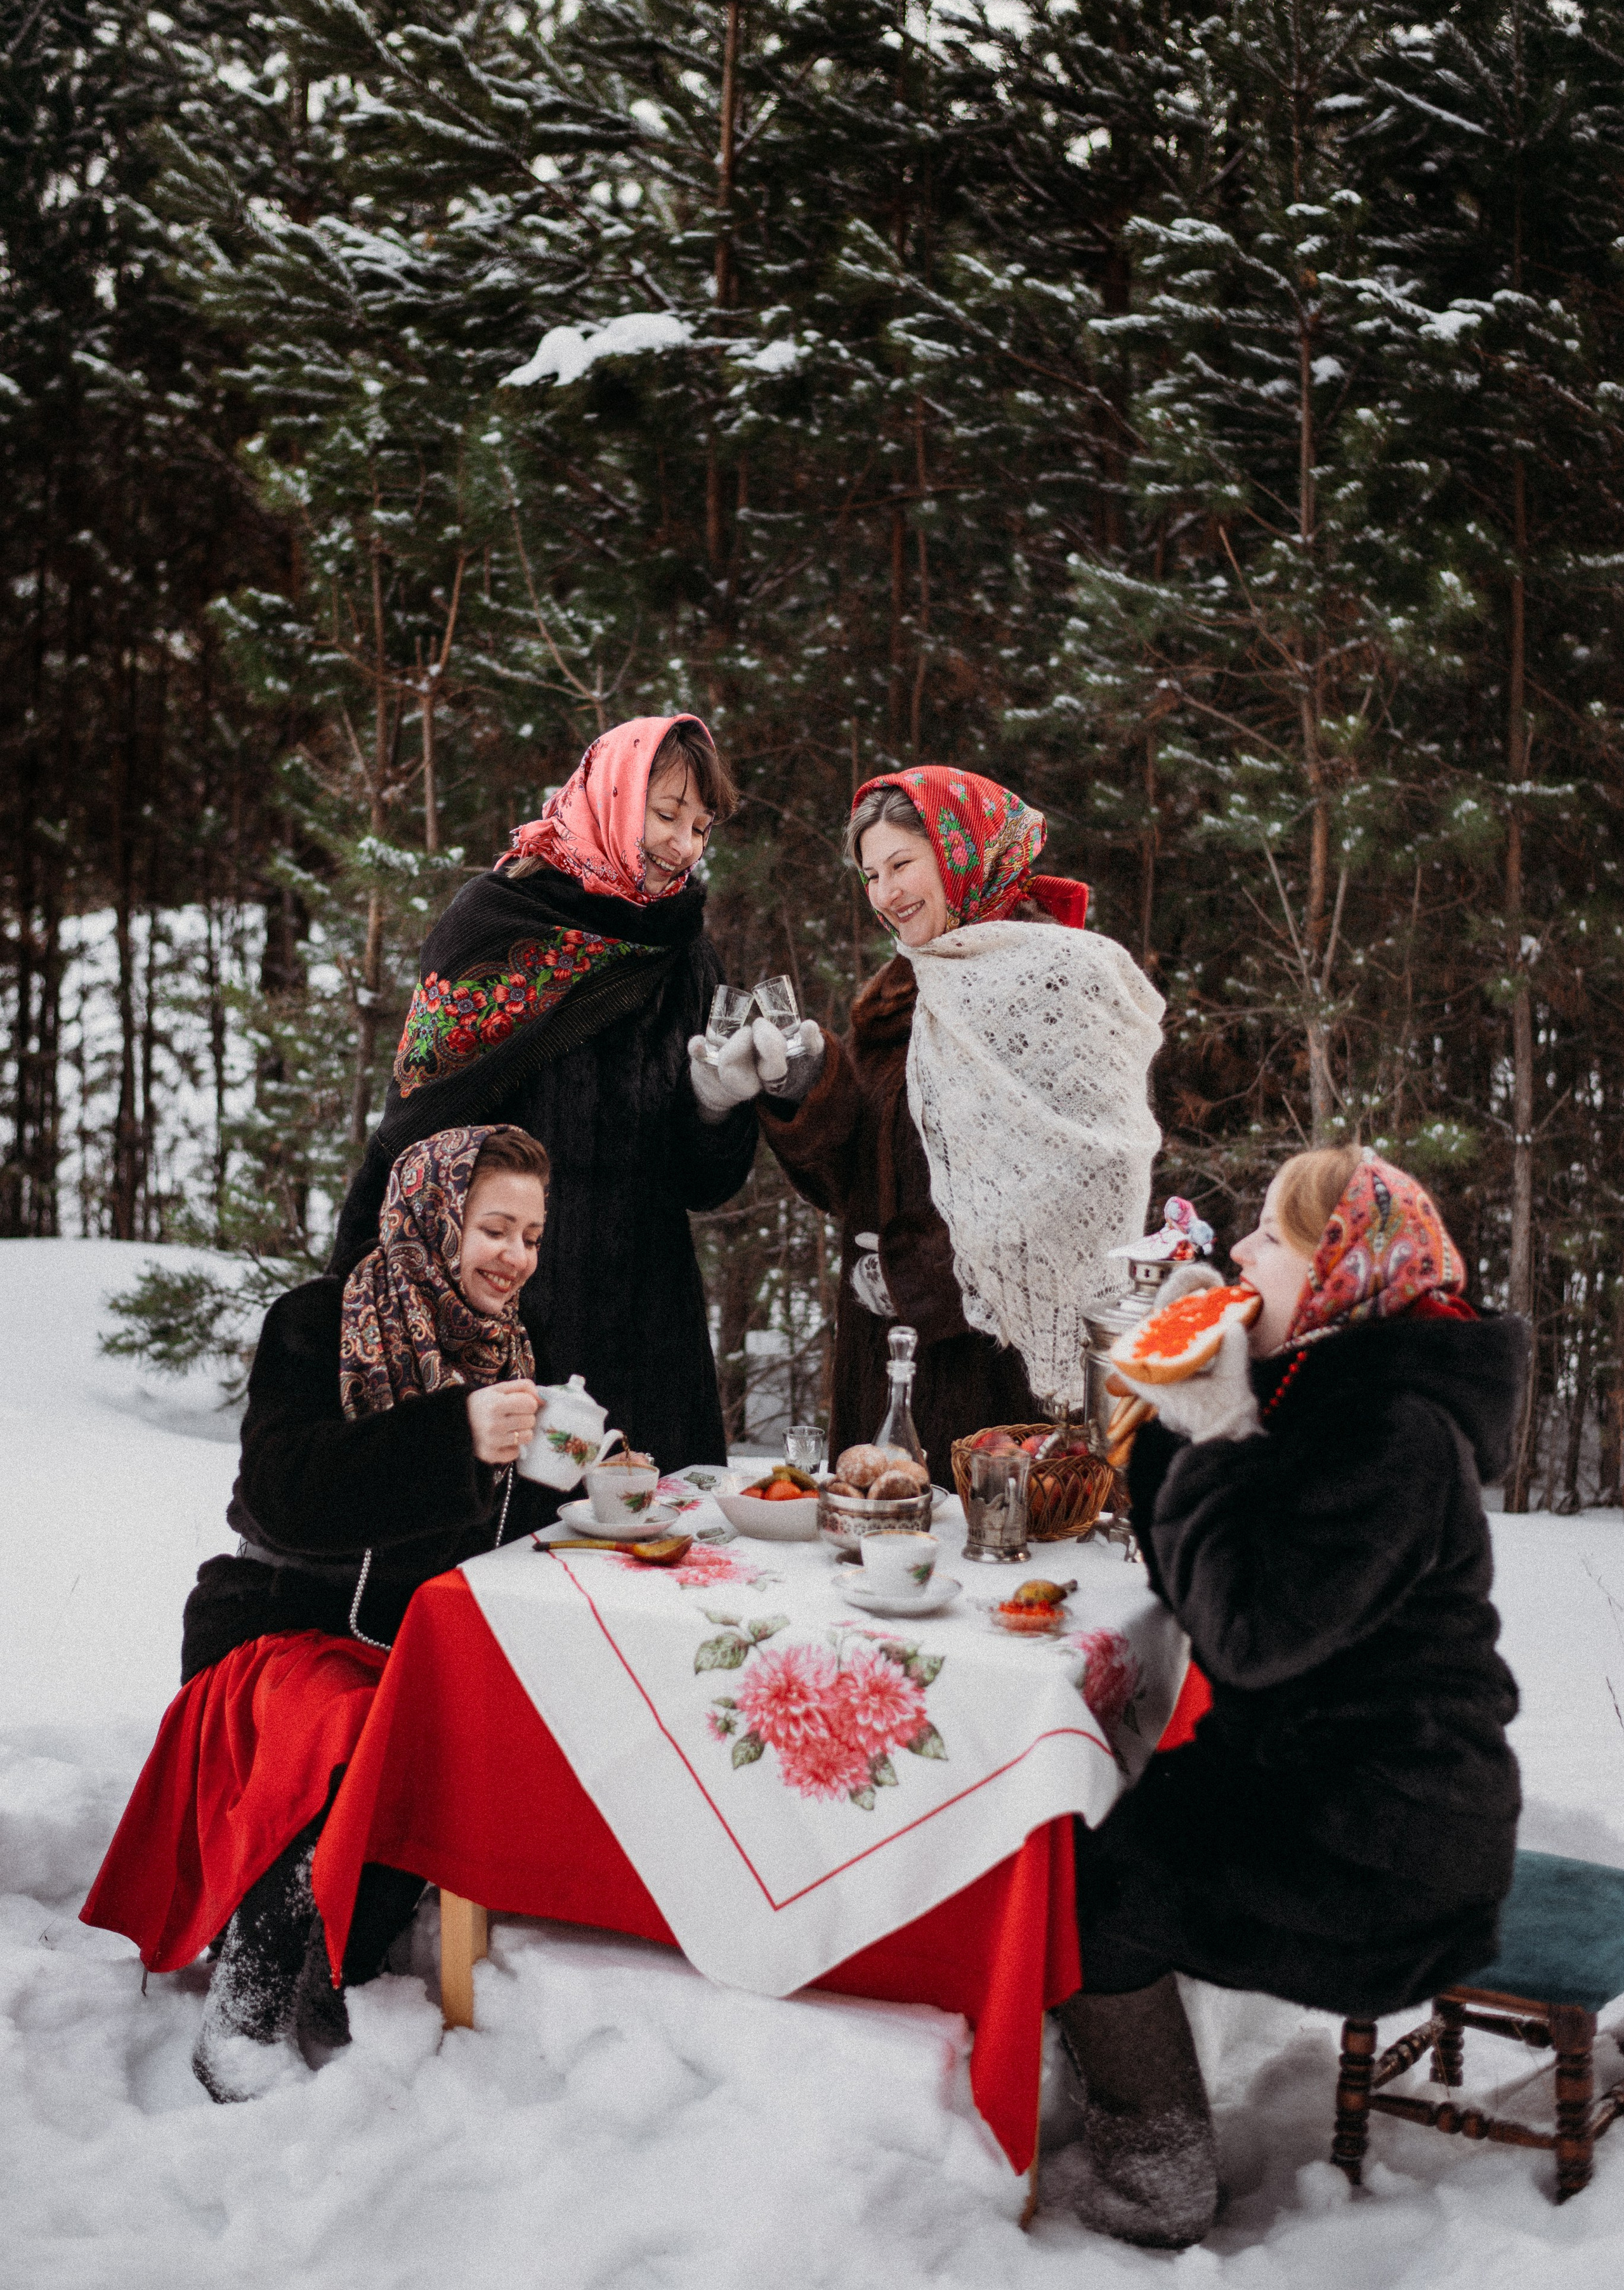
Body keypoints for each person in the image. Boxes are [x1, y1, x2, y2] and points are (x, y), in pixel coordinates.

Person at [1051, 1146, 1526, 2249]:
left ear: (1332, 1270)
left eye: (1269, 1234)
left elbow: (1250, 1635)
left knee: (1097, 1885)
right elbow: (1201, 1580)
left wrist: (1213, 1431)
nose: (1240, 1251)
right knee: (1105, 1821)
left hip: (1389, 1836)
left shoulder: (1390, 1430)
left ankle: (1159, 2175)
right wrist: (1183, 1417)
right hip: (1335, 1783)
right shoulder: (1332, 1386)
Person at [82, 1125, 567, 2102]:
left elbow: (503, 1529)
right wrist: (452, 1435)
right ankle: (246, 2006)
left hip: (415, 1648)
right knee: (354, 1733)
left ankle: (343, 1963)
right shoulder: (315, 1322)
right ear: (435, 1217)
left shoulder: (510, 1347)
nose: (514, 1255)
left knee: (485, 1732)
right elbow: (282, 1491)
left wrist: (581, 1483)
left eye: (532, 1234)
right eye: (494, 1227)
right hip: (280, 1625)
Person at [704, 768, 1164, 1483]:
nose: (885, 894)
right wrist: (807, 1088)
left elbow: (1086, 1180)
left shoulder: (1052, 982)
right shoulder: (904, 990)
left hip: (992, 1375)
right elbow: (855, 1178)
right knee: (877, 1569)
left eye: (901, 864)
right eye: (869, 874)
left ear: (959, 855)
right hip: (883, 1364)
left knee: (988, 1573)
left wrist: (918, 1278)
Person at [329, 714, 756, 1475]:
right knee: (507, 1563)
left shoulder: (686, 955)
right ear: (614, 798)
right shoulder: (498, 925)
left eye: (700, 826)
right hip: (503, 1303)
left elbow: (702, 1184)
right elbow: (414, 1134)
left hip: (648, 1321)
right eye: (664, 815)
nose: (682, 846)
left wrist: (717, 1106)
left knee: (653, 1556)